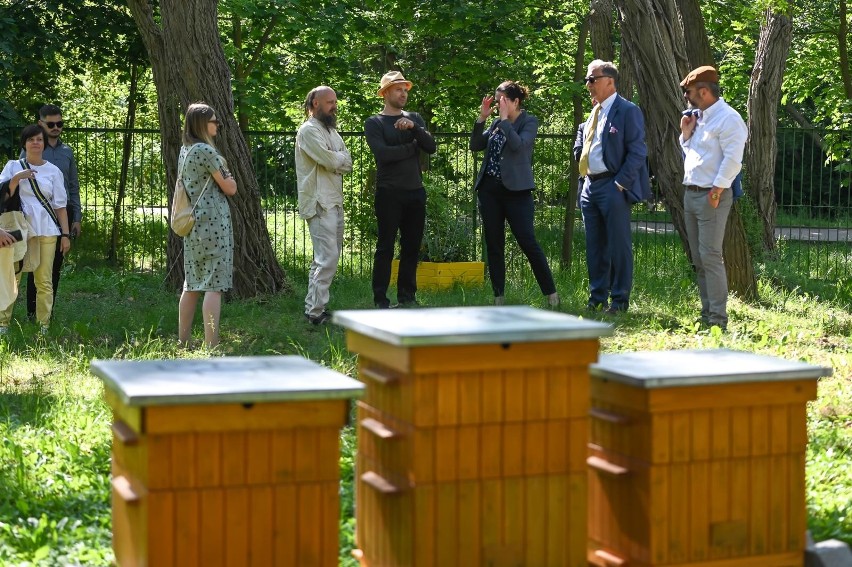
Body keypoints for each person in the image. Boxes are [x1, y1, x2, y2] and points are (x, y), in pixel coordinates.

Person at [470, 81, 559, 307]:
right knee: (493, 243)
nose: (499, 104)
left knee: (527, 242)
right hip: (490, 191)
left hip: (517, 193)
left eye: (503, 100)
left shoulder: (528, 122)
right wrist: (482, 119)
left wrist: (504, 122)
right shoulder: (496, 123)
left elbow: (519, 146)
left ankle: (551, 295)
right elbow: (475, 145)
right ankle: (498, 297)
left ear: (515, 101)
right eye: (497, 99)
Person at [573, 59, 650, 314]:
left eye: (592, 79)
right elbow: (583, 142)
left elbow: (638, 152)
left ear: (609, 81)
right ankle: (597, 298)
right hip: (589, 187)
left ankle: (619, 301)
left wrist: (620, 183)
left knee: (618, 245)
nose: (588, 85)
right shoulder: (594, 112)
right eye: (587, 80)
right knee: (595, 245)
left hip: (612, 186)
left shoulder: (627, 110)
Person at [679, 66, 747, 330]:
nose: (687, 97)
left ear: (704, 91)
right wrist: (686, 134)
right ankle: (707, 315)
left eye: (689, 93)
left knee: (710, 256)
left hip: (712, 195)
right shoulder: (700, 117)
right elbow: (693, 155)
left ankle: (718, 320)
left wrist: (717, 190)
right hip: (692, 192)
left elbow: (733, 160)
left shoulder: (729, 119)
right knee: (698, 258)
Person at [365, 71, 436, 308]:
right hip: (389, 193)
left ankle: (408, 298)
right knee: (385, 246)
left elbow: (430, 146)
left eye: (405, 89)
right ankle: (380, 301)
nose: (403, 93)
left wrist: (414, 128)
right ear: (385, 93)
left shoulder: (414, 118)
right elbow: (383, 155)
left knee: (411, 247)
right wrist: (412, 148)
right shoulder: (374, 122)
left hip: (415, 191)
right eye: (398, 89)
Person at [176, 103, 237, 348]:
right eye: (214, 121)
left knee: (191, 285)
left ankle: (184, 340)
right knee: (214, 286)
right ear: (202, 124)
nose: (218, 125)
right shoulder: (206, 151)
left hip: (193, 225)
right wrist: (228, 175)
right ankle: (212, 344)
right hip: (213, 224)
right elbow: (230, 188)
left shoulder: (186, 149)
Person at [0, 124, 71, 333]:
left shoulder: (53, 171)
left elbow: (60, 206)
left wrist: (65, 235)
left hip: (47, 230)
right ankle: (3, 323)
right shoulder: (13, 166)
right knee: (12, 277)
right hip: (17, 229)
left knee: (44, 281)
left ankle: (43, 326)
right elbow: (2, 196)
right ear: (25, 143)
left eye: (39, 139)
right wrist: (16, 179)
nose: (35, 143)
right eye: (31, 139)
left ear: (44, 143)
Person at [295, 86, 352, 325]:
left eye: (335, 101)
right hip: (319, 202)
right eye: (329, 102)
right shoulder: (308, 130)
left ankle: (317, 308)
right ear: (315, 103)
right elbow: (330, 160)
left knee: (329, 257)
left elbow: (347, 161)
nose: (334, 106)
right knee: (326, 258)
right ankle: (314, 312)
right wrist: (335, 158)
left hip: (334, 201)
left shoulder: (330, 130)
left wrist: (335, 158)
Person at [20, 104, 81, 322]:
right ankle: (31, 314)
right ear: (41, 124)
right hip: (35, 216)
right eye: (51, 124)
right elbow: (18, 185)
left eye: (60, 124)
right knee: (33, 264)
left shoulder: (67, 152)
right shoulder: (32, 148)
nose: (56, 128)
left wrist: (77, 218)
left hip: (61, 214)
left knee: (53, 266)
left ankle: (47, 314)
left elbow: (73, 186)